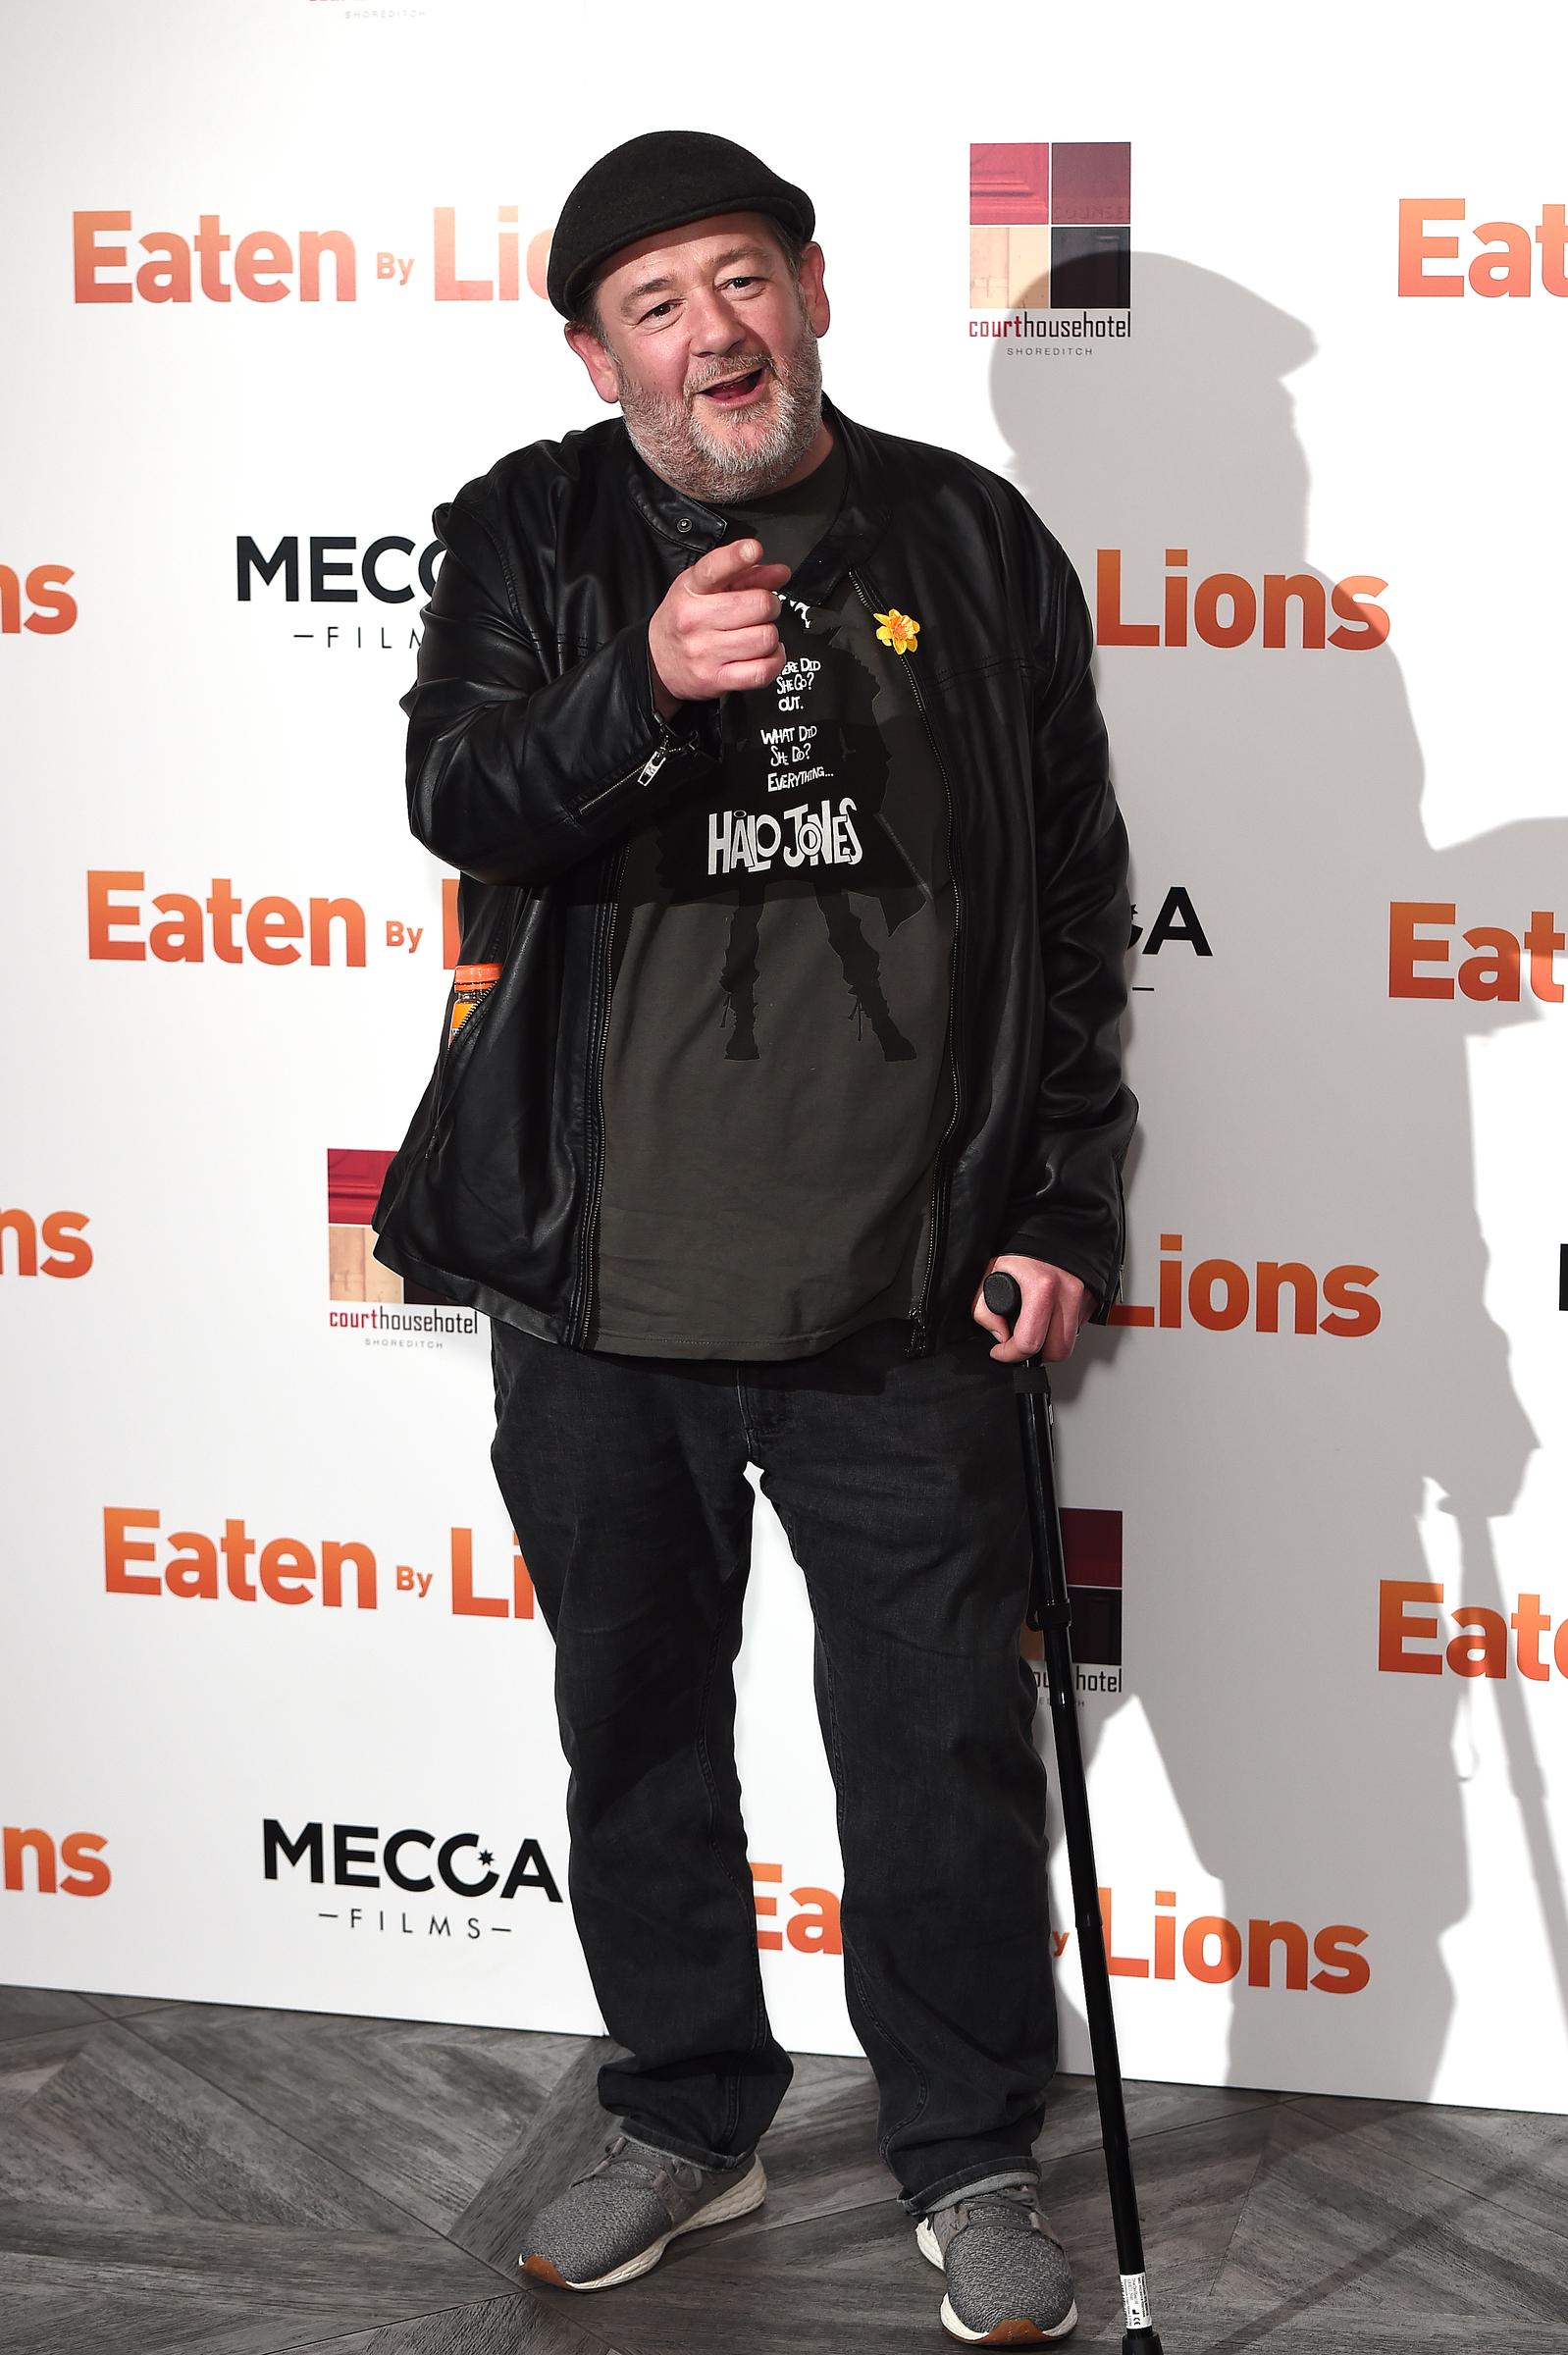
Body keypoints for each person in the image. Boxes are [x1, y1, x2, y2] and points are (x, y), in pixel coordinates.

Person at [373, 128, 1135, 2348]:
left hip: (904, 1290)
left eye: (740, 281)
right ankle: (688, 2111)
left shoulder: (971, 540)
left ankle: (970, 2149)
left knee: (938, 1751)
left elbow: (1079, 905)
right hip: (599, 1281)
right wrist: (648, 685)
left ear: (810, 287)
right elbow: (466, 795)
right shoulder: (533, 531)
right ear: (597, 352)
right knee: (634, 1721)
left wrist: (1065, 1193)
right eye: (653, 304)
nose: (712, 335)